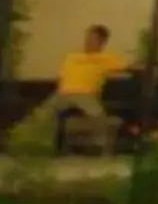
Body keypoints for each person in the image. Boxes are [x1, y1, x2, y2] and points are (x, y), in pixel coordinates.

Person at [31, 23, 129, 152]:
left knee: (97, 115)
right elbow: (62, 76)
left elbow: (128, 67)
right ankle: (41, 145)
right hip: (64, 93)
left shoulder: (106, 59)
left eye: (93, 39)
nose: (88, 42)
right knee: (42, 113)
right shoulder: (72, 57)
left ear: (102, 42)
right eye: (88, 38)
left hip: (86, 94)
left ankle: (101, 146)